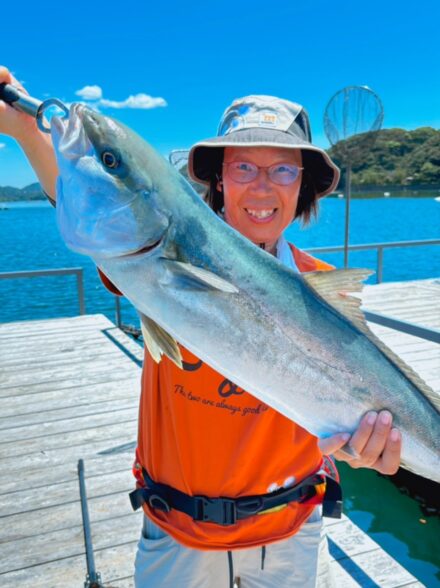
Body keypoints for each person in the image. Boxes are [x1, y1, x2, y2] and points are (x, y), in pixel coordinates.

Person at [0, 67, 402, 588]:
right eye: (242, 167)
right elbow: (95, 197)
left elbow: (347, 422)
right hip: (177, 535)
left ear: (303, 183)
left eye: (283, 169)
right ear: (218, 178)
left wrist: (362, 446)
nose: (262, 185)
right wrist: (23, 127)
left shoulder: (321, 287)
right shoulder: (148, 261)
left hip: (289, 537)